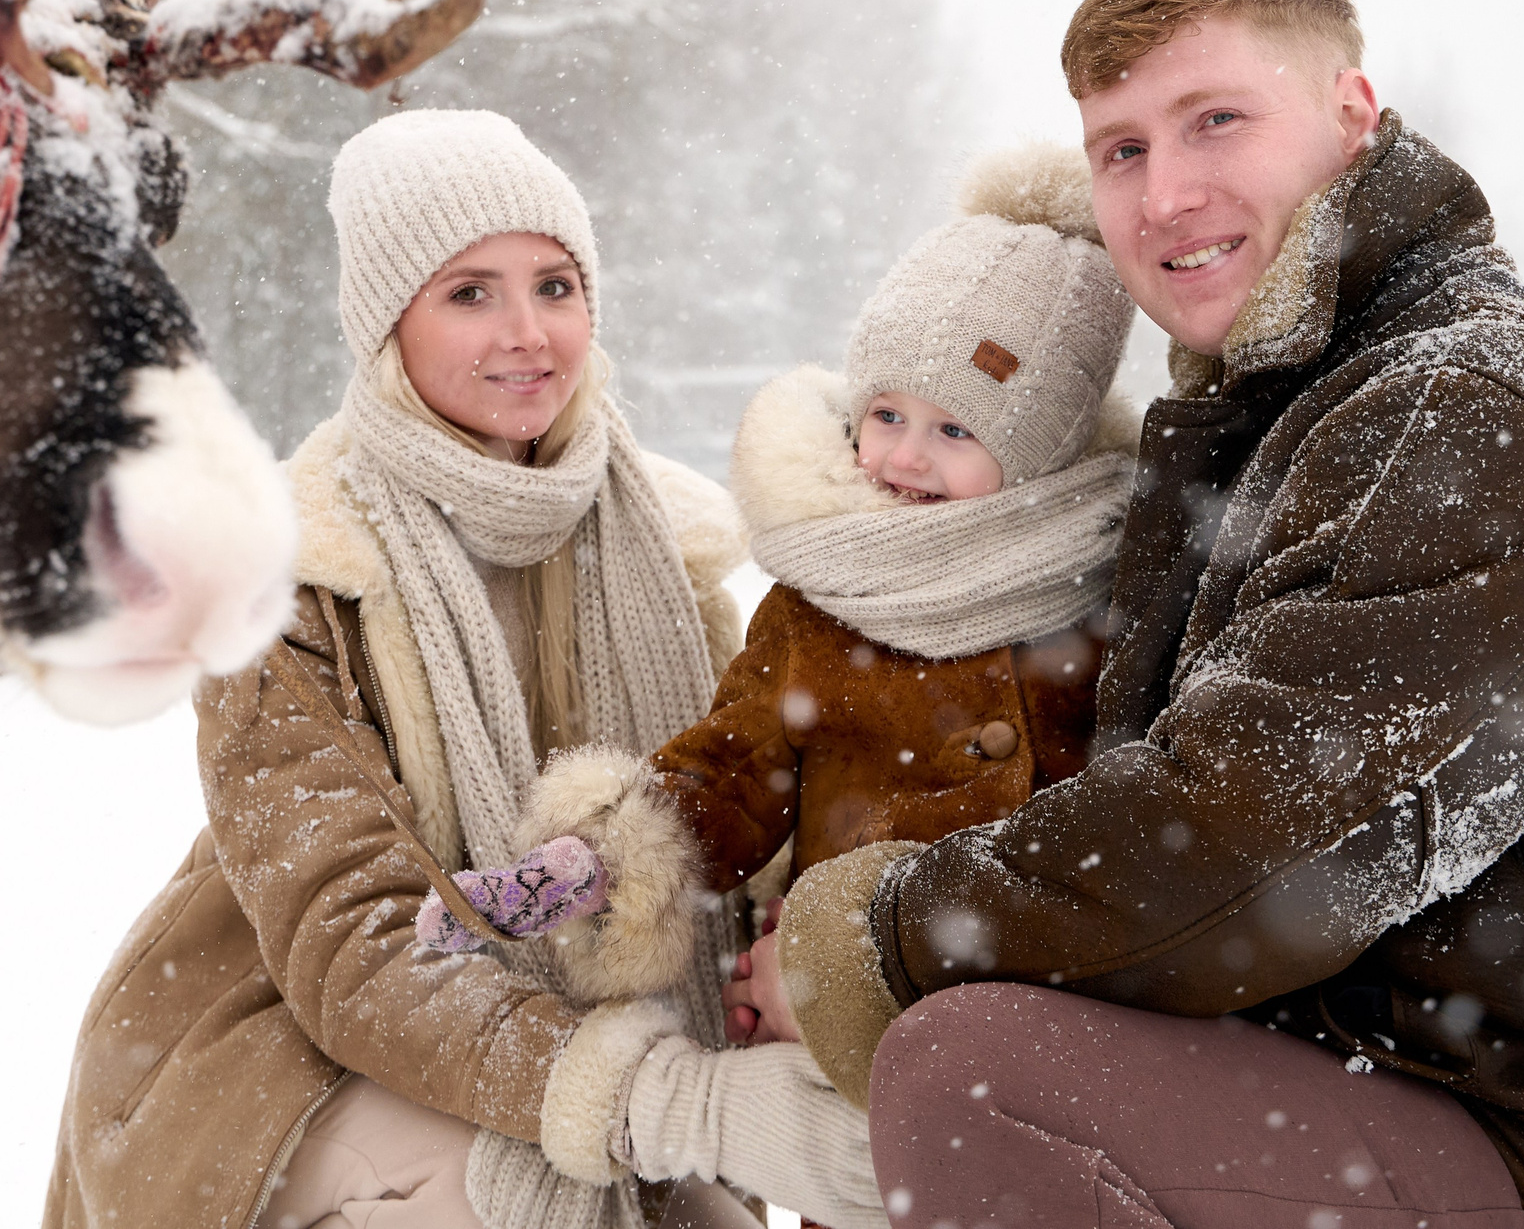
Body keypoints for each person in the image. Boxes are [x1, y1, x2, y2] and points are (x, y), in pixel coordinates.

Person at [744, 0, 1524, 1229]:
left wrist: (883, 931)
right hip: (1416, 1080)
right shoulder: (1293, 414)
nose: (1166, 192)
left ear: (1350, 113)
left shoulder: (1469, 416)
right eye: (1124, 149)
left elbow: (1247, 845)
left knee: (981, 1077)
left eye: (1217, 120)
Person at [40, 110, 881, 1229]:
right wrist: (674, 1097)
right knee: (521, 1198)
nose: (526, 332)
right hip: (283, 1050)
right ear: (388, 324)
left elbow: (736, 817)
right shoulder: (295, 578)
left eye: (556, 284)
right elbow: (354, 936)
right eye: (469, 292)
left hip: (584, 1047)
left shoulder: (667, 556)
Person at [413, 146, 1139, 1044]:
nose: (906, 456)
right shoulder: (823, 601)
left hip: (1053, 1001)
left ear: (1044, 454)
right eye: (887, 416)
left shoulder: (1105, 590)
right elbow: (736, 762)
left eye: (955, 429)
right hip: (842, 997)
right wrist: (612, 854)